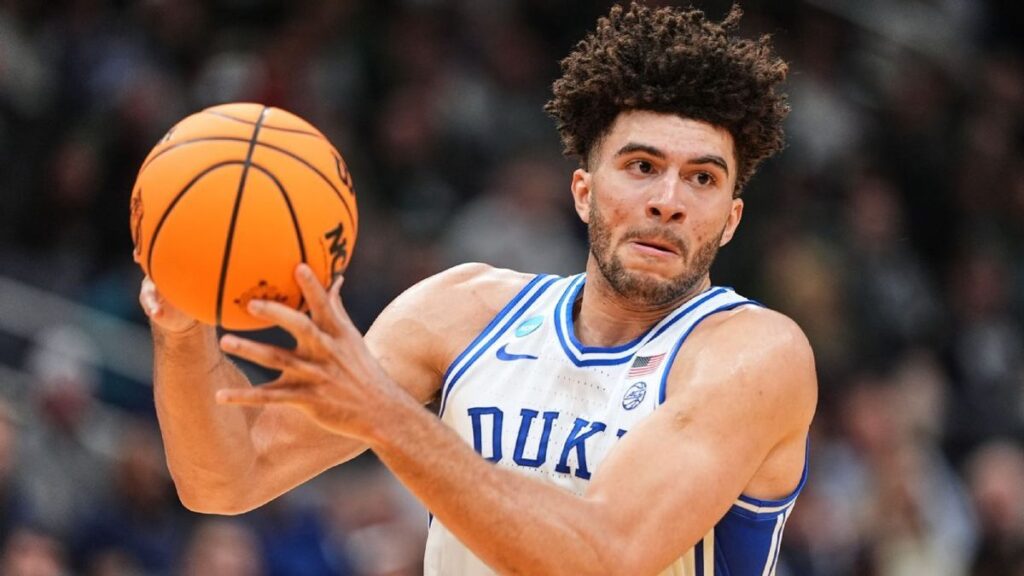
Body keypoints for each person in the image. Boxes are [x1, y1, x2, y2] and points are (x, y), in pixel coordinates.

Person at [139, 4, 816, 575]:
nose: (669, 200)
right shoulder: (460, 312)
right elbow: (224, 480)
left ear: (731, 219)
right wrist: (182, 327)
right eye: (642, 166)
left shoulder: (753, 357)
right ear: (584, 192)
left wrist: (386, 416)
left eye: (703, 179)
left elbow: (604, 556)